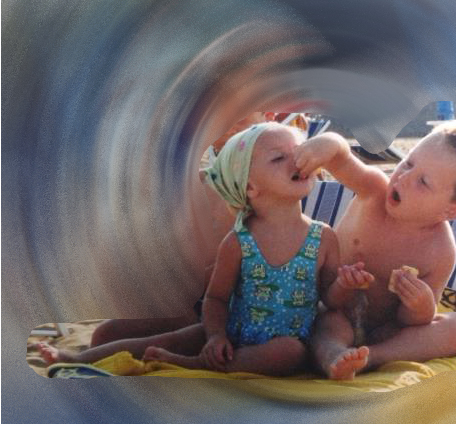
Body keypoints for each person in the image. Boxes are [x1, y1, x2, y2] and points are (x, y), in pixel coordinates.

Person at [39, 123, 371, 375]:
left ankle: (195, 364)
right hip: (231, 330)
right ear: (250, 187)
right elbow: (215, 299)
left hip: (285, 342)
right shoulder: (240, 241)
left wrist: (345, 284)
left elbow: (330, 298)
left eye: (299, 151)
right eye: (279, 157)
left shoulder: (323, 237)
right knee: (169, 339)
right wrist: (215, 336)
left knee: (291, 353)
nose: (298, 160)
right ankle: (77, 358)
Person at [293, 122, 456, 379]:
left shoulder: (440, 251)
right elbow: (341, 160)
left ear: (451, 211)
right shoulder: (374, 191)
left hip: (389, 331)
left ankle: (371, 357)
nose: (403, 177)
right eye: (408, 163)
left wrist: (419, 304)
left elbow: (412, 322)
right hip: (336, 309)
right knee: (329, 325)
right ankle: (333, 355)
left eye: (423, 182)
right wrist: (328, 143)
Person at [89, 112, 272, 347]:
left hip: (238, 309)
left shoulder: (276, 186)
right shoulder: (202, 181)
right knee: (105, 335)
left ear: (268, 114)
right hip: (197, 302)